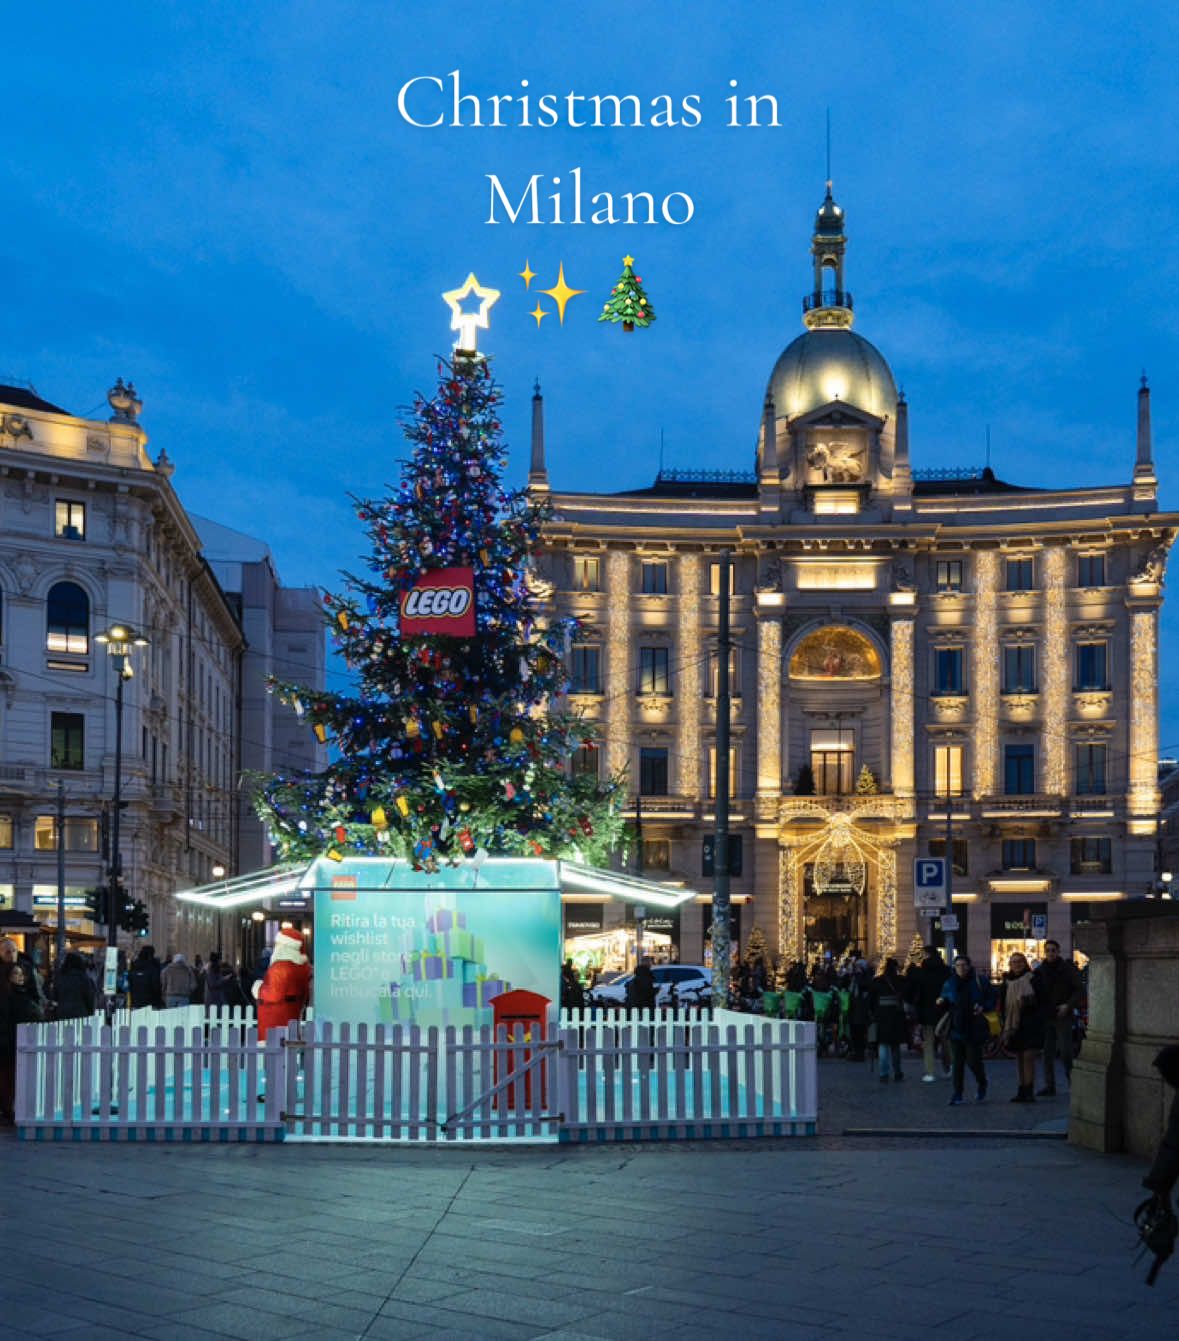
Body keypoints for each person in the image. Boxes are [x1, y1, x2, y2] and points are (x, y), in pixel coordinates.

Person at [937, 955, 993, 1105]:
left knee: (973, 1061)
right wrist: (941, 1001)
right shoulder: (950, 983)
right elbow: (944, 997)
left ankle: (982, 1082)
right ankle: (957, 1093)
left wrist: (983, 1006)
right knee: (957, 1063)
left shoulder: (979, 981)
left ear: (969, 966)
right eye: (958, 965)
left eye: (963, 965)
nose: (961, 968)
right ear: (954, 968)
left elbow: (992, 998)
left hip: (974, 1025)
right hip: (956, 1026)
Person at [1034, 939, 1083, 1096]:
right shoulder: (1040, 970)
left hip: (1063, 1015)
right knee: (1047, 1053)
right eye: (1048, 950)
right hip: (1047, 1016)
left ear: (1058, 951)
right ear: (1044, 952)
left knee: (1066, 1052)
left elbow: (1079, 989)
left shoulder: (1067, 969)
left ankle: (1073, 1083)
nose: (1050, 953)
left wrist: (1068, 1005)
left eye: (1053, 950)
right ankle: (1050, 1086)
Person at [0, 943, 41, 1124]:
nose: (11, 954)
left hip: (18, 1030)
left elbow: (35, 995)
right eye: (7, 952)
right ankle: (7, 1108)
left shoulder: (27, 968)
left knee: (15, 1073)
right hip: (6, 1031)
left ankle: (11, 1108)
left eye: (13, 951)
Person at [1000, 951, 1046, 1102]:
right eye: (1013, 962)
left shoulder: (1034, 980)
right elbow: (1002, 1004)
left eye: (1019, 961)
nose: (1017, 964)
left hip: (1031, 1023)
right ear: (1010, 965)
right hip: (1014, 1024)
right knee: (1018, 1057)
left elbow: (1041, 1001)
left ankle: (1029, 1090)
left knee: (1028, 1057)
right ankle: (1021, 1089)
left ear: (1025, 963)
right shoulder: (1006, 983)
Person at [254, 928, 312, 1041]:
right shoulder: (302, 968)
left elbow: (273, 994)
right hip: (291, 1016)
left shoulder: (279, 968)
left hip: (273, 1019)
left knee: (272, 1052)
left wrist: (258, 989)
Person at [906, 945, 949, 1082]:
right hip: (944, 1010)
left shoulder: (920, 972)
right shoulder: (947, 970)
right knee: (946, 1041)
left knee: (929, 1042)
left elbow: (911, 991)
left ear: (926, 955)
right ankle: (951, 1067)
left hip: (926, 1010)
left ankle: (930, 1072)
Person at [869, 957, 907, 1082]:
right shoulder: (901, 981)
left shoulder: (877, 981)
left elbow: (872, 999)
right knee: (895, 1045)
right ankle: (897, 1071)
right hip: (896, 1014)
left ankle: (883, 1073)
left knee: (883, 1044)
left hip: (881, 1015)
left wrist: (873, 1013)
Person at [54, 951, 96, 1021]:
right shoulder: (83, 978)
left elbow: (55, 996)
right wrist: (90, 1012)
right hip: (80, 1013)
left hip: (62, 1013)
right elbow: (89, 997)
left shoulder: (60, 977)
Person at [128, 945, 163, 1009]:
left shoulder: (133, 966)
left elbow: (129, 983)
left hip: (135, 1000)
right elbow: (156, 985)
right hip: (150, 1001)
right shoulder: (153, 967)